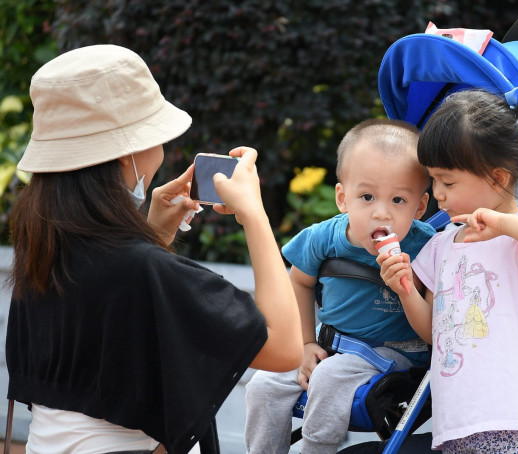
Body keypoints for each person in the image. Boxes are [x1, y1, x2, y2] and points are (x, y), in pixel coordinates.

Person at [4, 44, 303, 454]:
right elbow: (285, 348)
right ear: (128, 155)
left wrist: (151, 235)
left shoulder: (43, 253)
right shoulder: (142, 267)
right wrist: (255, 216)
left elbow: (114, 333)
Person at [378, 89, 518, 454]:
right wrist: (405, 289)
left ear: (498, 178)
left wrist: (505, 224)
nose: (438, 195)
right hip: (454, 422)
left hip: (511, 421)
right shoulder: (443, 244)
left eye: (448, 181)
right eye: (434, 181)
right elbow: (432, 330)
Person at [243, 119, 436, 454]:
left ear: (420, 207)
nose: (381, 213)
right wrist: (303, 344)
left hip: (393, 350)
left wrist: (408, 284)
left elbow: (435, 320)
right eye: (367, 197)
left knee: (329, 377)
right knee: (263, 385)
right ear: (342, 198)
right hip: (329, 342)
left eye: (399, 201)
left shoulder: (426, 247)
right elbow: (299, 283)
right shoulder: (323, 238)